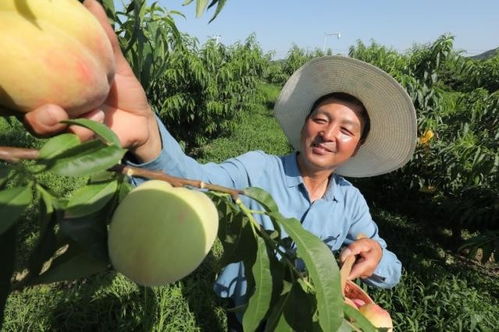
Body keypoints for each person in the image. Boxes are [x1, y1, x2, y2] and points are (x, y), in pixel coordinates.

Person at [17, 0, 417, 329]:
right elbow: (198, 183)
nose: (329, 133)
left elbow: (391, 267)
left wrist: (376, 257)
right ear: (303, 126)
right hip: (247, 313)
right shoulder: (259, 171)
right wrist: (147, 136)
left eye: (346, 129)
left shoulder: (350, 204)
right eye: (321, 119)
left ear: (357, 147)